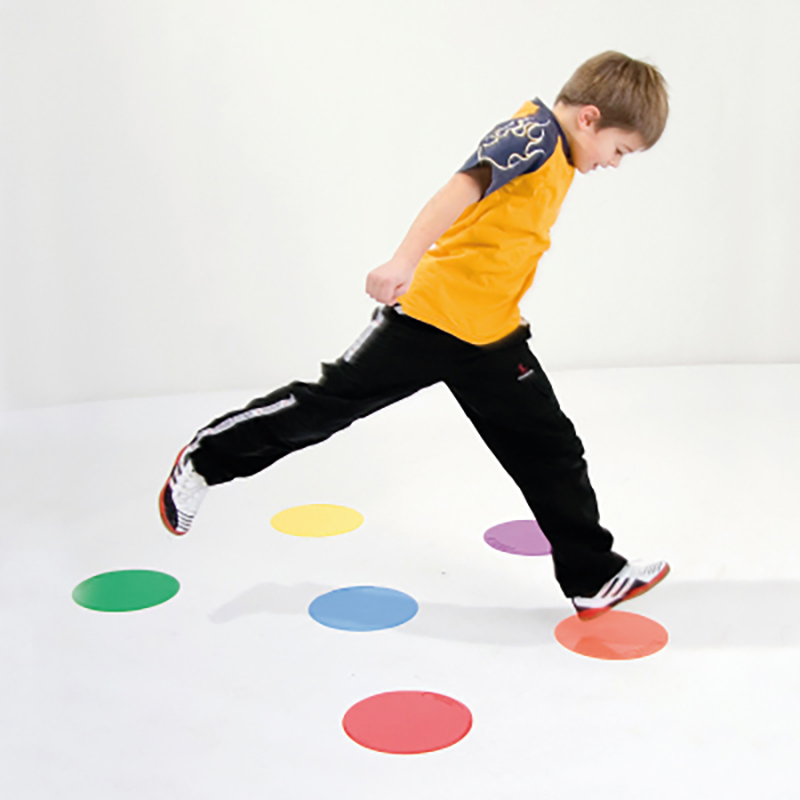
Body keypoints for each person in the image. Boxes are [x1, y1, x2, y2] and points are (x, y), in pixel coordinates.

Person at [159, 51, 670, 621]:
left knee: (551, 449)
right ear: (590, 119)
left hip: (491, 334)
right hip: (429, 317)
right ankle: (204, 459)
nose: (614, 163)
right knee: (327, 405)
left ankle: (593, 576)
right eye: (619, 150)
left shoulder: (562, 157)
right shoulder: (532, 135)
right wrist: (403, 261)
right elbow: (458, 189)